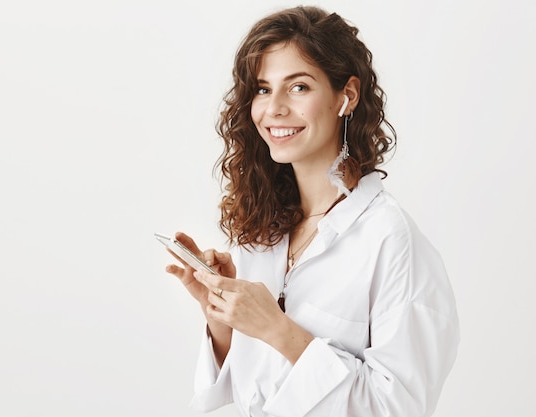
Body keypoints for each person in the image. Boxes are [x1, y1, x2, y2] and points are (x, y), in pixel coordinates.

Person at [164, 6, 459, 417]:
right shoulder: (265, 230)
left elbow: (397, 408)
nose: (274, 109)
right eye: (263, 89)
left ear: (347, 96)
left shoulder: (392, 241)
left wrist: (277, 327)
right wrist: (223, 315)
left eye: (298, 87)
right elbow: (256, 385)